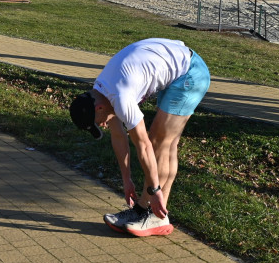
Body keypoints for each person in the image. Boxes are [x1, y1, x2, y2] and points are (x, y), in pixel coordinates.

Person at [69, 38, 211, 237]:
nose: (102, 125)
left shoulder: (120, 96)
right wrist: (127, 181)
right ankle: (154, 214)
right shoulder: (101, 93)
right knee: (167, 144)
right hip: (178, 66)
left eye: (98, 122)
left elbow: (143, 146)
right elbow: (119, 137)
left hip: (190, 74)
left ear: (98, 108)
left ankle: (148, 212)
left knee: (157, 142)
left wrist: (154, 191)